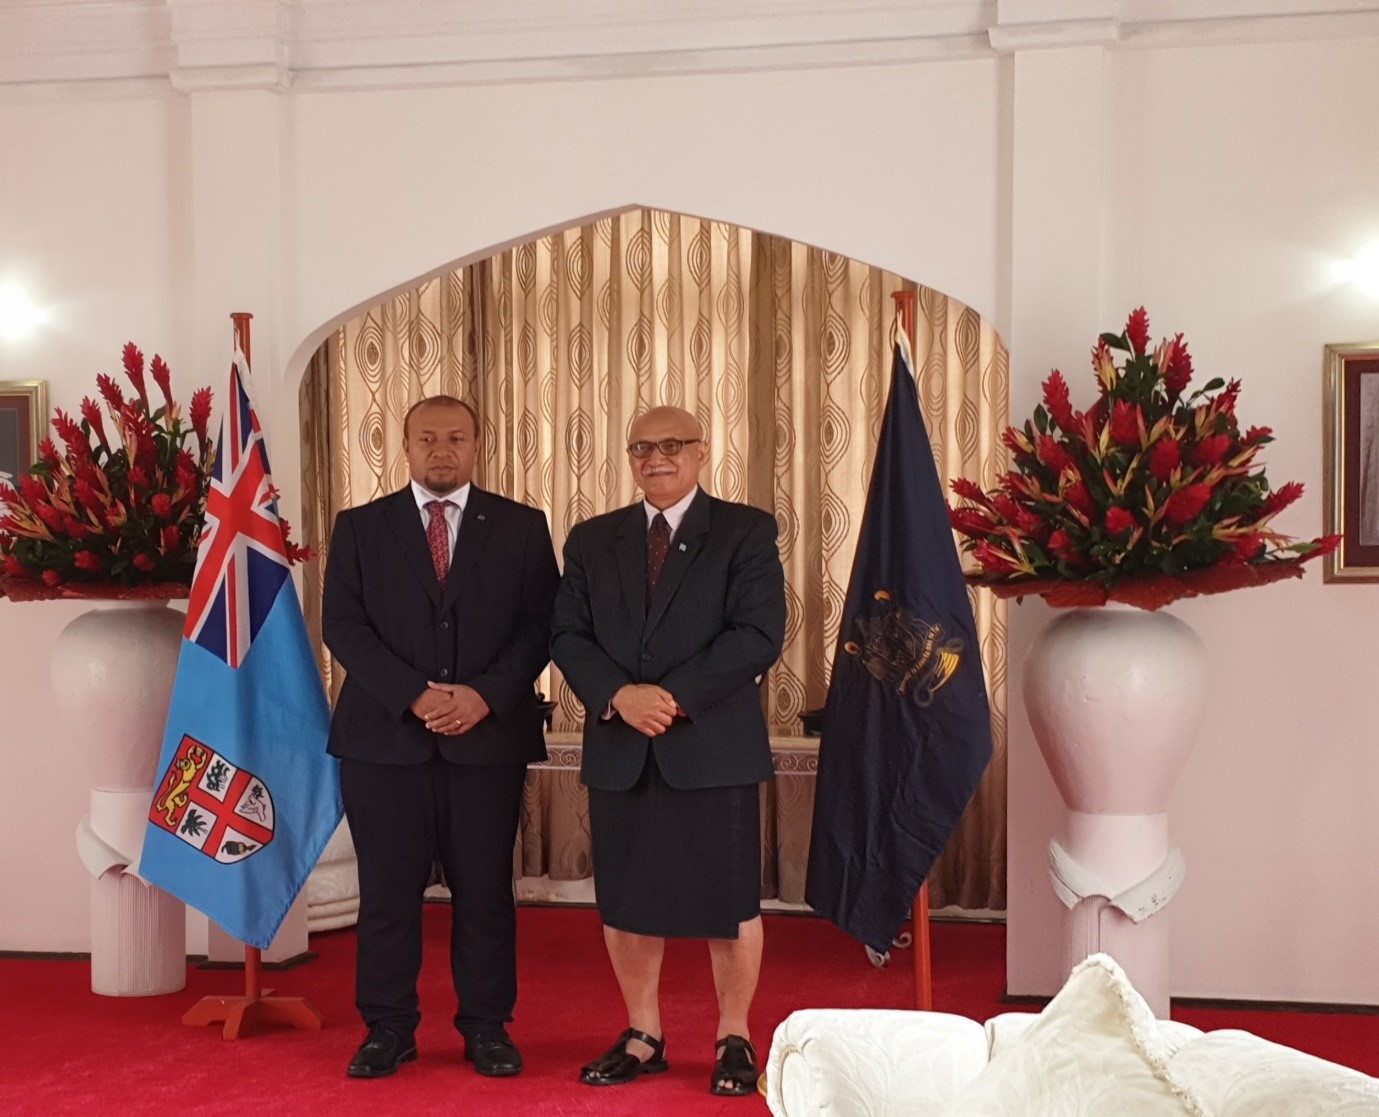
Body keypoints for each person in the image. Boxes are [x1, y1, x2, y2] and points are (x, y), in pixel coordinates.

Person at [550, 405, 786, 1097]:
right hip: (622, 745)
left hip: (710, 745)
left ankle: (733, 1034)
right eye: (642, 447)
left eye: (672, 445)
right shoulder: (592, 539)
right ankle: (642, 1033)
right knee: (625, 902)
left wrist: (671, 697)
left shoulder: (744, 529)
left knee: (730, 902)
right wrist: (619, 695)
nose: (657, 457)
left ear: (702, 452)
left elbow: (757, 633)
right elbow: (566, 634)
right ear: (630, 458)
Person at [322, 395, 559, 1080]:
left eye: (456, 436)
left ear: (478, 443)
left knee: (485, 891)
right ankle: (388, 1027)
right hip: (383, 740)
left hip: (487, 740)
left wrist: (484, 694)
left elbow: (541, 626)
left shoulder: (519, 526)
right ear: (404, 446)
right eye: (426, 438)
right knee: (388, 893)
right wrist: (415, 694)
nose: (441, 450)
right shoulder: (361, 527)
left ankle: (486, 1025)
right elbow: (344, 625)